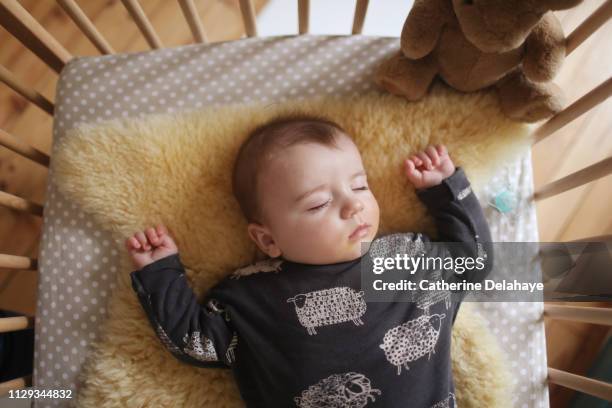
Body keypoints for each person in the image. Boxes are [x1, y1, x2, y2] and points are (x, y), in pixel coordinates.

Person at [126, 114, 492, 407]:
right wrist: (161, 276)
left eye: (360, 185)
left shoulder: (406, 259)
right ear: (268, 239)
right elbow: (195, 342)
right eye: (319, 203)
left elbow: (473, 261)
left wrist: (445, 191)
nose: (353, 205)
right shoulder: (251, 297)